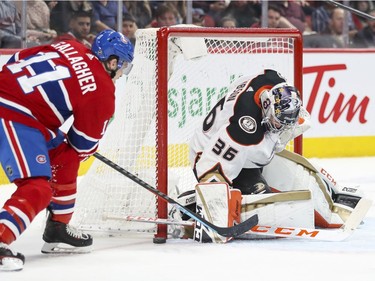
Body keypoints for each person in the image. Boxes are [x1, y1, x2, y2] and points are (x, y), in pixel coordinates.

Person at [0, 29, 134, 271]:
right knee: (37, 187)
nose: (122, 73)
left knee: (64, 155)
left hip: (23, 109)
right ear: (113, 62)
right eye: (123, 66)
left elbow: (17, 60)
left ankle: (57, 228)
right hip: (11, 112)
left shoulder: (72, 46)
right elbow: (83, 146)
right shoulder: (103, 91)